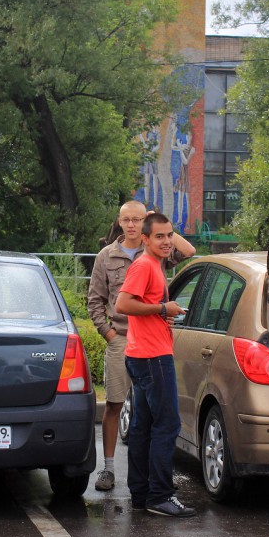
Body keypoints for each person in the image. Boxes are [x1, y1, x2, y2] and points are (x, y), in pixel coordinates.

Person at [87, 201, 194, 492]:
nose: (132, 224)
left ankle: (143, 485)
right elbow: (96, 300)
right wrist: (109, 334)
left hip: (148, 340)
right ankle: (109, 469)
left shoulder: (156, 253)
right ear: (119, 222)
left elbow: (188, 251)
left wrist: (157, 222)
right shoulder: (108, 256)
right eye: (127, 220)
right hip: (123, 338)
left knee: (144, 419)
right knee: (115, 404)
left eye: (138, 219)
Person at [115, 212, 196, 518]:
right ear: (145, 239)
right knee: (167, 425)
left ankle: (141, 494)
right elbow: (122, 305)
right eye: (159, 236)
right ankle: (160, 495)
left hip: (143, 354)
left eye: (169, 235)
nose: (166, 242)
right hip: (152, 358)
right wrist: (163, 307)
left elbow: (141, 307)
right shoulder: (145, 265)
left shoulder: (154, 264)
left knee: (143, 427)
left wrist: (161, 313)